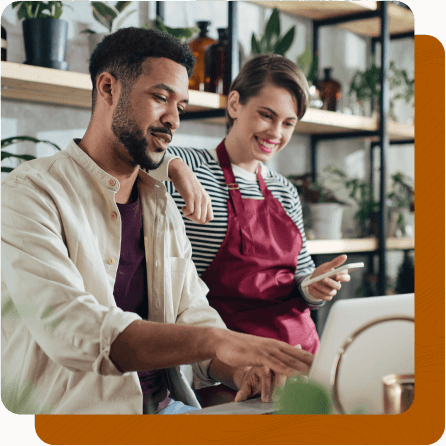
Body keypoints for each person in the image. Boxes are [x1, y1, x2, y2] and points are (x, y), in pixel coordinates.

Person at [0, 28, 314, 415]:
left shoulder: (160, 203)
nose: (173, 119)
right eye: (160, 97)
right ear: (108, 88)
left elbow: (192, 310)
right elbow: (71, 327)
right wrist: (218, 341)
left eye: (180, 106)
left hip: (169, 411)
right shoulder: (30, 193)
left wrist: (241, 368)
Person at [149, 54, 352, 406]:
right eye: (266, 115)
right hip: (234, 369)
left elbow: (297, 282)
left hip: (300, 360)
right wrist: (177, 169)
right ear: (234, 104)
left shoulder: (285, 190)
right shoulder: (192, 166)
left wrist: (313, 287)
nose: (276, 133)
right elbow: (132, 153)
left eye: (288, 123)